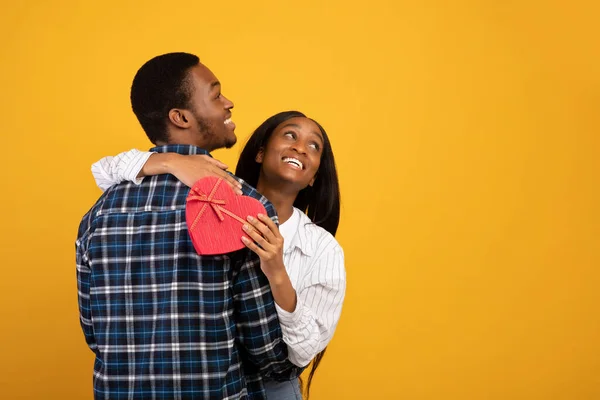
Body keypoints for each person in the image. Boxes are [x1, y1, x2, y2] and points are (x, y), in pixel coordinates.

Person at [75, 52, 301, 400]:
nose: (229, 103)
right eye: (215, 94)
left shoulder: (97, 216)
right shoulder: (244, 205)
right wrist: (288, 367)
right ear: (180, 117)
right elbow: (259, 339)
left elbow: (95, 333)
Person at [91, 111, 347, 399]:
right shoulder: (211, 193)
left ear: (314, 177)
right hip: (213, 379)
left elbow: (302, 353)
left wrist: (277, 271)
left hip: (273, 385)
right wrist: (171, 161)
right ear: (260, 153)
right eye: (290, 135)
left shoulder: (322, 248)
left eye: (314, 146)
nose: (301, 147)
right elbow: (104, 170)